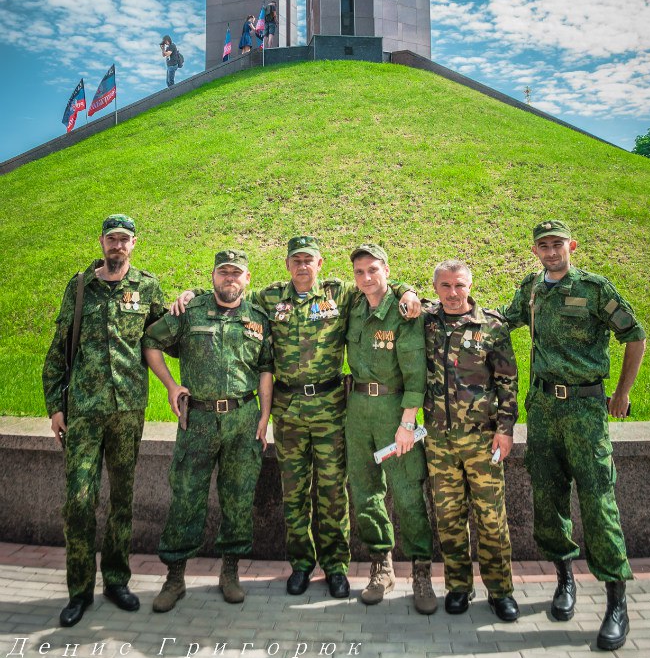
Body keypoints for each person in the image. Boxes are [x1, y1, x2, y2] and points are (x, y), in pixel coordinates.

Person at [170, 235, 420, 600]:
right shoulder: (269, 298)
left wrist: (408, 290)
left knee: (333, 491)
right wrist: (191, 293)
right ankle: (302, 564)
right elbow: (231, 293)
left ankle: (336, 566)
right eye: (296, 260)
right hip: (287, 412)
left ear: (320, 265)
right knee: (295, 492)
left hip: (331, 407)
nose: (303, 266)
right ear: (287, 266)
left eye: (309, 260)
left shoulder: (340, 294)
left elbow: (377, 282)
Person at [504, 220, 646, 652]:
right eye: (543, 246)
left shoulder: (596, 287)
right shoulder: (531, 289)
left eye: (557, 244)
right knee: (547, 497)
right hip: (543, 408)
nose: (550, 251)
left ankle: (615, 601)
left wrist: (621, 394)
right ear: (535, 251)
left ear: (572, 246)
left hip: (586, 409)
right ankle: (564, 579)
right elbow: (501, 322)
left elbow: (634, 336)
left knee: (598, 503)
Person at [42, 214, 166, 628]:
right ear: (101, 242)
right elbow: (59, 348)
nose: (117, 246)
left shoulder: (147, 287)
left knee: (122, 501)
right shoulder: (80, 288)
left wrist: (188, 304)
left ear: (133, 244)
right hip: (83, 411)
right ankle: (80, 590)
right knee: (78, 501)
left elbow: (163, 336)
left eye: (124, 240)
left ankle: (116, 580)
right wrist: (55, 407)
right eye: (111, 239)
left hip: (128, 409)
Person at [142, 250, 273, 612]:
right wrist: (170, 386)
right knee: (186, 496)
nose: (230, 278)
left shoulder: (258, 318)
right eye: (223, 272)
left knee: (238, 495)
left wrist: (264, 416)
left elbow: (265, 369)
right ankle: (175, 577)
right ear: (214, 276)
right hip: (197, 420)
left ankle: (230, 571)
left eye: (237, 273)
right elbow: (151, 342)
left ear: (247, 278)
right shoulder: (190, 311)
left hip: (242, 419)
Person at [423, 260, 519, 621]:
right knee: (448, 516)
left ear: (470, 285)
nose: (452, 293)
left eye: (459, 285)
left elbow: (507, 381)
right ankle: (458, 587)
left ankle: (500, 590)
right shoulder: (427, 322)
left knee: (491, 517)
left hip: (482, 440)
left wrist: (506, 429)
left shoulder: (491, 326)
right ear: (435, 288)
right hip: (439, 440)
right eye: (445, 286)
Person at [345, 244, 436, 615]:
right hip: (357, 410)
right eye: (359, 272)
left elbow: (416, 374)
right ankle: (381, 565)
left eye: (373, 270)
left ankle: (421, 571)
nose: (367, 278)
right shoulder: (352, 304)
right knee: (365, 490)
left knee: (408, 491)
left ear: (386, 269)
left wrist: (407, 423)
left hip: (394, 409)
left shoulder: (403, 311)